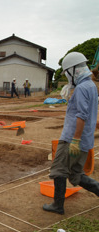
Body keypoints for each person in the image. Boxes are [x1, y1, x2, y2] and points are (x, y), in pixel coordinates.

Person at [43, 52, 99, 215]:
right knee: (75, 174)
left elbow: (81, 115)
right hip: (85, 140)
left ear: (74, 71)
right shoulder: (91, 86)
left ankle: (57, 205)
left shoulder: (82, 89)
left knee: (58, 170)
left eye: (67, 73)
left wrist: (74, 140)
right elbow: (89, 113)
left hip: (71, 139)